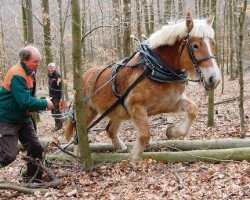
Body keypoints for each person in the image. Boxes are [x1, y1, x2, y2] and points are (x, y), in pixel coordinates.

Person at [0, 45, 54, 183]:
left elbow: (26, 97)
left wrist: (42, 101)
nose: (38, 64)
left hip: (23, 118)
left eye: (39, 61)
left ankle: (33, 180)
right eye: (35, 62)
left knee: (36, 148)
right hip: (8, 118)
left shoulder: (30, 72)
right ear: (25, 60)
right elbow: (24, 102)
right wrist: (44, 104)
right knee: (9, 155)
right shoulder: (17, 74)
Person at [47, 62, 63, 132]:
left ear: (55, 68)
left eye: (52, 68)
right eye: (50, 68)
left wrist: (61, 98)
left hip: (57, 96)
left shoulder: (58, 76)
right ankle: (59, 123)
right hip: (52, 96)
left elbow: (60, 87)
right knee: (53, 111)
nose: (51, 69)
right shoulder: (49, 76)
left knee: (56, 111)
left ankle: (58, 125)